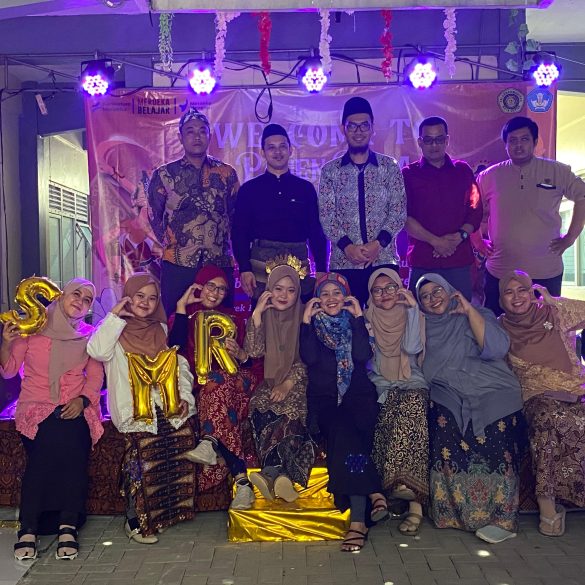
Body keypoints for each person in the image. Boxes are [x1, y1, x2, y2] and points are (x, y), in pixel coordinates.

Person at [87, 274, 197, 544]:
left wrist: (184, 396)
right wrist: (115, 315)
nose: (145, 303)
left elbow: (177, 365)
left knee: (172, 451)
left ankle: (164, 515)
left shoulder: (160, 328)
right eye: (139, 296)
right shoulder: (114, 329)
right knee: (139, 459)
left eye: (152, 298)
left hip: (165, 406)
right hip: (134, 410)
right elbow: (96, 351)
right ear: (128, 297)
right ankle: (134, 520)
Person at [416, 273, 524, 544]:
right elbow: (422, 367)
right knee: (445, 426)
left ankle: (503, 519)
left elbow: (497, 349)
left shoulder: (479, 313)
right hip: (450, 390)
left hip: (492, 387)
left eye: (437, 291)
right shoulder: (421, 325)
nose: (433, 298)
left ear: (450, 290)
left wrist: (469, 311)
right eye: (425, 296)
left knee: (496, 431)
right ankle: (451, 514)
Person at [0, 279, 104, 561]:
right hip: (36, 405)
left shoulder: (90, 336)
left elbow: (95, 378)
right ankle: (56, 523)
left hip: (75, 405)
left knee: (71, 435)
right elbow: (9, 371)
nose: (80, 300)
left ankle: (42, 525)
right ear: (60, 296)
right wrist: (7, 342)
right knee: (53, 437)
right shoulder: (33, 329)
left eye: (87, 299)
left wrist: (81, 401)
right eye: (76, 293)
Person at [300, 273, 387, 552]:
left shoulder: (356, 324)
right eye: (324, 294)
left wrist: (358, 316)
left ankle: (364, 509)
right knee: (346, 435)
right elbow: (309, 357)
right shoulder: (313, 326)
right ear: (317, 299)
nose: (331, 299)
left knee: (349, 438)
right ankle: (364, 510)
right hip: (326, 402)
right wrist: (306, 320)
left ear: (346, 296)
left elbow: (362, 355)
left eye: (336, 293)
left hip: (359, 398)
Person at [499, 270, 585, 536]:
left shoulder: (553, 313)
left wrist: (555, 301)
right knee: (548, 421)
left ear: (532, 292)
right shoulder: (500, 327)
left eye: (522, 290)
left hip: (575, 389)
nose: (516, 297)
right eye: (509, 292)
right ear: (501, 298)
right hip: (537, 395)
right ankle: (547, 505)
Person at [168, 265, 260, 510]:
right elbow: (174, 349)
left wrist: (241, 354)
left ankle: (208, 441)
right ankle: (242, 483)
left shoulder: (233, 318)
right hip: (205, 387)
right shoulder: (184, 315)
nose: (215, 293)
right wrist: (181, 306)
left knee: (217, 383)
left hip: (237, 382)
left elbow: (251, 362)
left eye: (222, 289)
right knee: (218, 402)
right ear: (199, 286)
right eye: (211, 285)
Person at [474, 116, 585, 315]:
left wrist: (570, 238)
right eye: (513, 140)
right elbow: (470, 210)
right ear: (505, 145)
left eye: (524, 139)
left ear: (534, 142)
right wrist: (477, 241)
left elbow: (582, 196)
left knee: (546, 326)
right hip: (501, 270)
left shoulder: (557, 171)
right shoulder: (489, 176)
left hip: (545, 270)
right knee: (496, 326)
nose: (518, 145)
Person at [148, 107, 240, 315]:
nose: (196, 136)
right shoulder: (164, 175)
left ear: (209, 136)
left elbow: (235, 216)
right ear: (180, 137)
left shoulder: (226, 174)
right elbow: (154, 216)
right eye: (190, 131)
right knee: (177, 321)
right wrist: (176, 243)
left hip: (218, 263)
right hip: (178, 265)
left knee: (221, 322)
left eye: (202, 131)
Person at [318, 96, 407, 306]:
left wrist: (378, 244)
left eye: (364, 125)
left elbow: (398, 211)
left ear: (372, 128)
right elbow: (327, 216)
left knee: (386, 318)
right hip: (344, 262)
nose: (358, 131)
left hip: (383, 260)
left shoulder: (389, 167)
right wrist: (347, 247)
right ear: (344, 129)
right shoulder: (330, 171)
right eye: (352, 126)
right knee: (349, 318)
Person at [232, 124, 328, 303]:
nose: (278, 152)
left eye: (282, 146)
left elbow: (316, 231)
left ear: (290, 150)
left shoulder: (305, 189)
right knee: (262, 315)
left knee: (300, 315)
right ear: (263, 152)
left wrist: (322, 268)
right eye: (271, 148)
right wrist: (244, 268)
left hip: (298, 264)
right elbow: (239, 233)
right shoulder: (249, 190)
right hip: (261, 265)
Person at [365, 268, 429, 537]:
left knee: (412, 409)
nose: (384, 294)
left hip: (411, 380)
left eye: (390, 287)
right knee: (388, 415)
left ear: (399, 288)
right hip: (381, 383)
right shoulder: (367, 317)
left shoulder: (412, 313)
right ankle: (408, 498)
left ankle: (410, 496)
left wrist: (412, 309)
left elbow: (412, 349)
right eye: (377, 290)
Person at [244, 264, 315, 502]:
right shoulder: (263, 315)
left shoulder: (306, 315)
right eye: (278, 288)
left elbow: (309, 359)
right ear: (268, 290)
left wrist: (287, 384)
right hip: (270, 381)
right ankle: (280, 476)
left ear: (298, 293)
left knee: (291, 410)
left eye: (291, 290)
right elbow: (254, 351)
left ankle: (271, 473)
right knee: (260, 406)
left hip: (299, 381)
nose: (284, 295)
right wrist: (257, 314)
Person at [403, 116, 482, 300]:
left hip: (458, 260)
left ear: (447, 140)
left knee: (461, 312)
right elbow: (403, 218)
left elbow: (475, 208)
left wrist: (460, 236)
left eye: (439, 139)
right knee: (419, 313)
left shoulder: (462, 171)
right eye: (428, 140)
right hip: (423, 260)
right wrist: (435, 242)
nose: (434, 145)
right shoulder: (408, 174)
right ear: (420, 142)